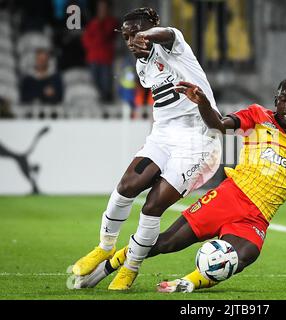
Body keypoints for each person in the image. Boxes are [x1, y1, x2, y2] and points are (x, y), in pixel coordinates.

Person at [74, 79, 286, 292]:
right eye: (283, 99)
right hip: (228, 197)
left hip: (256, 219)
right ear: (276, 99)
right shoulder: (257, 115)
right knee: (164, 244)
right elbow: (221, 124)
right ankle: (110, 265)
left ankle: (189, 283)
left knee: (247, 254)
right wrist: (204, 104)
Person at [71, 7, 221, 291]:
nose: (131, 42)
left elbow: (165, 34)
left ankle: (130, 268)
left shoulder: (174, 45)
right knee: (126, 186)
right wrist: (140, 40)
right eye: (127, 37)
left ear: (150, 30)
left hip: (197, 139)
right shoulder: (142, 66)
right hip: (163, 134)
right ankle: (104, 246)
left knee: (152, 207)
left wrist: (147, 35)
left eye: (135, 35)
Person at [81, 0, 119, 102]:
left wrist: (99, 24)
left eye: (104, 8)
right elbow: (86, 41)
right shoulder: (92, 23)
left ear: (109, 9)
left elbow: (104, 36)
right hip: (93, 58)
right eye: (100, 8)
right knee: (93, 86)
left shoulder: (112, 22)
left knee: (106, 86)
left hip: (106, 59)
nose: (102, 10)